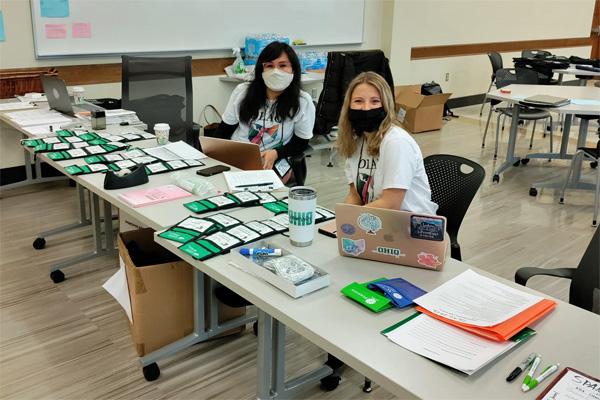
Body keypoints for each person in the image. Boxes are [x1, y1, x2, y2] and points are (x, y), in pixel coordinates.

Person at [337, 71, 437, 215]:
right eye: (358, 101)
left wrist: (350, 219)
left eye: (375, 101)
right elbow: (356, 195)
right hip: (377, 222)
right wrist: (340, 219)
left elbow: (391, 204)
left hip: (410, 227)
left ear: (386, 105)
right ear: (348, 106)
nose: (366, 108)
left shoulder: (396, 142)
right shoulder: (356, 141)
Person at [215, 41, 315, 176]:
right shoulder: (242, 92)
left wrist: (276, 153)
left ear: (294, 69)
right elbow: (224, 130)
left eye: (283, 65)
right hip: (238, 157)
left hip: (274, 159)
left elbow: (301, 142)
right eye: (269, 66)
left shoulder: (302, 101)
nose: (275, 71)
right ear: (261, 70)